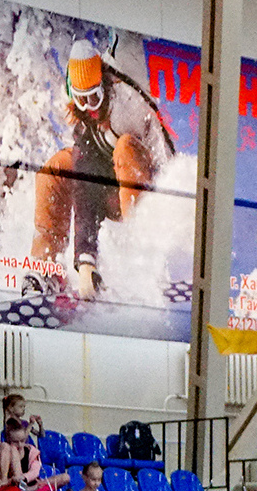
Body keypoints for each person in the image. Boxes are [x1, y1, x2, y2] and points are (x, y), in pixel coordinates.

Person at [31, 41, 160, 300]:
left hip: (145, 189)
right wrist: (85, 261)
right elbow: (85, 189)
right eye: (81, 99)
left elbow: (161, 147)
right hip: (108, 190)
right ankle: (47, 268)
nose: (89, 106)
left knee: (124, 147)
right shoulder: (86, 126)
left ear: (105, 88)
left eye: (94, 97)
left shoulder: (127, 106)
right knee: (55, 169)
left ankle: (142, 266)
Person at [0, 419, 48, 491]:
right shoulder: (5, 451)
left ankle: (28, 488)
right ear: (8, 439)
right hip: (11, 484)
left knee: (65, 477)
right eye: (15, 442)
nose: (20, 445)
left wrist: (23, 477)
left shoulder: (31, 451)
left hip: (28, 482)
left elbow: (35, 470)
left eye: (22, 441)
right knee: (11, 449)